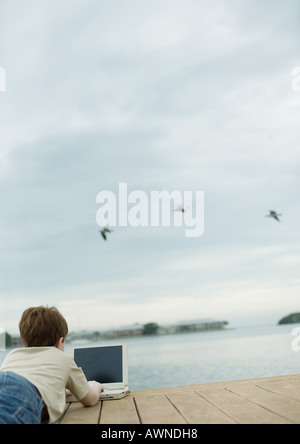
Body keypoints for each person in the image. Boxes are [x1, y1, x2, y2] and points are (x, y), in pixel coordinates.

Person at [0, 306, 103, 424]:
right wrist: (95, 386)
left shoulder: (13, 354)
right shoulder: (63, 358)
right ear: (60, 342)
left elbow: (32, 386)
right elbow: (89, 399)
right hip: (24, 391)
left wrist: (68, 391)